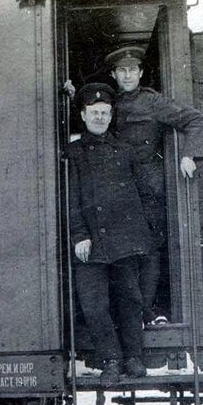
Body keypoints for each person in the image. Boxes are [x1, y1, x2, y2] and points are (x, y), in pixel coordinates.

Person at [105, 45, 203, 325]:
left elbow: (195, 120)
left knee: (150, 251)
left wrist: (189, 155)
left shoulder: (152, 102)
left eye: (132, 70)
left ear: (140, 73)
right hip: (116, 189)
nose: (128, 75)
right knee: (122, 254)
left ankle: (147, 312)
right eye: (122, 70)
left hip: (148, 189)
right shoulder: (108, 103)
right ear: (114, 74)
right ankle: (130, 315)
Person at [67, 83, 154, 386]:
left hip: (124, 241)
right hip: (89, 243)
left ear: (111, 115)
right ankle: (111, 361)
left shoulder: (125, 150)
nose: (100, 117)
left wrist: (141, 234)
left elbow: (142, 192)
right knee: (94, 306)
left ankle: (134, 358)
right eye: (94, 112)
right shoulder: (74, 153)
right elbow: (71, 199)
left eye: (105, 112)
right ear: (83, 114)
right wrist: (79, 235)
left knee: (130, 300)